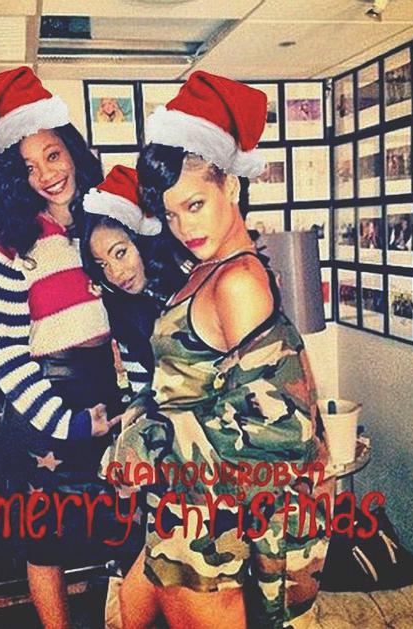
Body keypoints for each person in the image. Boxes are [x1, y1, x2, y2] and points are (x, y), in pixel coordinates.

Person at [103, 71, 334, 629]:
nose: (184, 226)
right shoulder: (204, 268)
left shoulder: (238, 282)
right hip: (185, 503)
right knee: (125, 612)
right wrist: (136, 426)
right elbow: (189, 386)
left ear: (231, 185)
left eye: (196, 204)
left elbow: (281, 432)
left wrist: (151, 444)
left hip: (209, 522)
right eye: (171, 213)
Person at [0, 66, 123, 629]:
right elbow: (8, 355)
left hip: (111, 399)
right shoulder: (15, 246)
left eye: (53, 155)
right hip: (44, 410)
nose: (47, 175)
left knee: (127, 535)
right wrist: (69, 424)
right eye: (29, 167)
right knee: (46, 544)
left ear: (73, 151)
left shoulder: (114, 225)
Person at [81, 164, 188, 396]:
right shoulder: (123, 310)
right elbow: (142, 390)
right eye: (102, 265)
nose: (115, 273)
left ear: (143, 241)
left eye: (120, 253)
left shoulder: (193, 283)